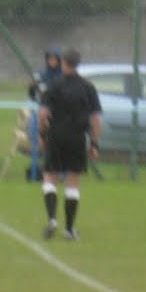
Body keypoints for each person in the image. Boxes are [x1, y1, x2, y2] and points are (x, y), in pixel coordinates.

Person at [38, 48, 101, 240]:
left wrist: (42, 134)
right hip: (77, 138)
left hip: (56, 136)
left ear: (64, 63)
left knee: (50, 177)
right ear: (78, 64)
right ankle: (69, 228)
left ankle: (52, 219)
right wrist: (94, 144)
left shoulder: (53, 85)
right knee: (72, 182)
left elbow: (43, 114)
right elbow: (96, 119)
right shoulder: (88, 88)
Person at [27, 46, 63, 182]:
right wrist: (34, 87)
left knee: (58, 145)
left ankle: (60, 173)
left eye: (55, 58)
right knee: (41, 141)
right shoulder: (42, 75)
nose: (52, 61)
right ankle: (41, 172)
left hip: (59, 115)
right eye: (50, 58)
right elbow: (32, 95)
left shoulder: (62, 76)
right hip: (42, 113)